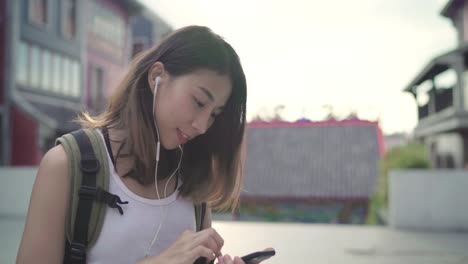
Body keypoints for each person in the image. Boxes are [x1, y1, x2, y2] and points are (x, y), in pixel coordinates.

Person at [17, 25, 269, 264]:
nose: (202, 126)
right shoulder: (67, 166)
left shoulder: (193, 182)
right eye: (200, 102)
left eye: (214, 114)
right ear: (157, 76)